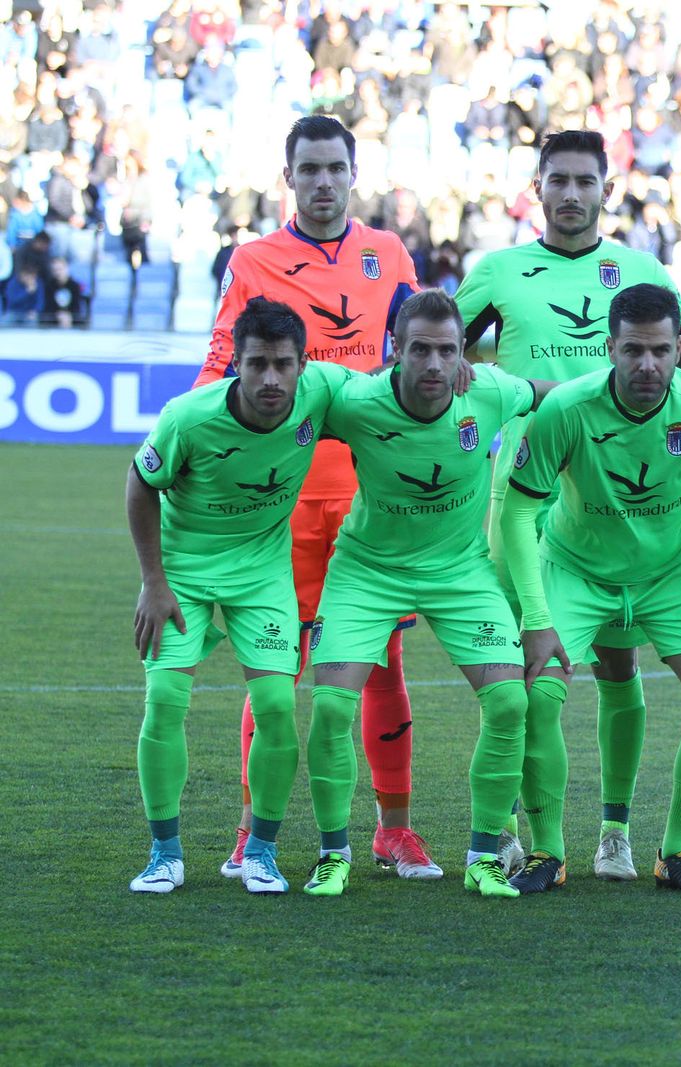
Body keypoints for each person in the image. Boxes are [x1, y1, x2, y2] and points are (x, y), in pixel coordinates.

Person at [455, 129, 681, 882]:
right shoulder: (499, 271)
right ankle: (524, 835)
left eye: (585, 180)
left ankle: (638, 838)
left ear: (608, 188)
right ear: (536, 187)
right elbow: (434, 350)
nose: (571, 193)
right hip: (533, 498)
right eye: (557, 179)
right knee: (523, 678)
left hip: (652, 540)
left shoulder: (643, 279)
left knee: (634, 670)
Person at [193, 115, 432, 881]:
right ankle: (248, 833)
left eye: (336, 168)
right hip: (285, 499)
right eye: (310, 169)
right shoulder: (254, 260)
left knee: (382, 661)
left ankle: (394, 829)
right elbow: (220, 365)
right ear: (288, 176)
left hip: (372, 501)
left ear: (352, 173)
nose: (324, 182)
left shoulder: (389, 255)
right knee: (276, 667)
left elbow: (420, 352)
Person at [500, 283, 681, 896]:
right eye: (634, 350)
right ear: (610, 346)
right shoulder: (565, 407)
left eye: (662, 351)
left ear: (678, 349)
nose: (648, 365)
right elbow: (513, 513)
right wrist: (535, 616)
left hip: (668, 574)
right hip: (575, 571)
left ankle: (679, 852)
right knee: (537, 697)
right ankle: (548, 852)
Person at [304, 289, 538, 899]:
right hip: (367, 570)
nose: (434, 365)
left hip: (461, 572)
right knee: (330, 707)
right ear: (394, 352)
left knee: (510, 703)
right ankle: (334, 855)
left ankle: (485, 857)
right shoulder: (357, 401)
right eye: (420, 351)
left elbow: (546, 391)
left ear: (464, 352)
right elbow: (287, 388)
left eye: (446, 351)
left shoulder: (487, 391)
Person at [127, 298, 355, 895]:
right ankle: (163, 853)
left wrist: (458, 367)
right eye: (257, 364)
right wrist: (153, 581)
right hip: (184, 573)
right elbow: (140, 481)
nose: (271, 378)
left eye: (284, 363)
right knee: (166, 700)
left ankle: (261, 851)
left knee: (278, 705)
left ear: (304, 363)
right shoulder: (188, 417)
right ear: (235, 362)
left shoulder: (321, 392)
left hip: (262, 574)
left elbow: (391, 390)